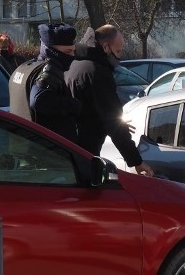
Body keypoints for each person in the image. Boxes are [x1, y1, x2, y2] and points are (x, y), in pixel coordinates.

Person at [66, 25, 154, 176]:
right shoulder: (97, 72)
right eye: (118, 51)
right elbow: (112, 121)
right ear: (106, 47)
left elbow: (90, 109)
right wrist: (136, 161)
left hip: (69, 146)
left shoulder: (74, 64)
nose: (119, 57)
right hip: (85, 152)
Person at [24, 23, 82, 143]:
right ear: (51, 50)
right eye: (68, 51)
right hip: (52, 148)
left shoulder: (31, 65)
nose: (72, 56)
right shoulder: (50, 69)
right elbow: (38, 100)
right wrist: (73, 105)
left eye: (73, 51)